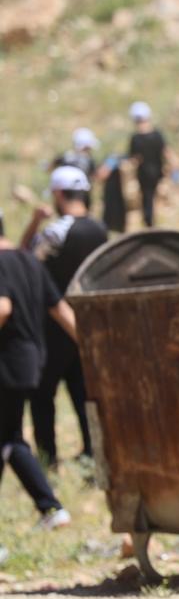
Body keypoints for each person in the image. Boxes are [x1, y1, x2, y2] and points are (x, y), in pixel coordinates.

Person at [19, 167, 108, 466]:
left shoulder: (57, 232)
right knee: (84, 392)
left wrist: (33, 223)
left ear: (58, 194)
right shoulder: (99, 229)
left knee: (43, 395)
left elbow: (23, 260)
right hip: (86, 322)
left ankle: (48, 459)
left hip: (53, 325)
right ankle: (92, 454)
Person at [0, 210, 77, 530]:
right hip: (32, 362)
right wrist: (91, 348)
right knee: (8, 438)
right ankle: (49, 507)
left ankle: (51, 506)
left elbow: (2, 308)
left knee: (10, 439)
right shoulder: (29, 261)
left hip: (5, 363)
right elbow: (60, 309)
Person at [126, 100, 171, 227]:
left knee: (147, 198)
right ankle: (153, 222)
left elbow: (134, 159)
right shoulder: (157, 135)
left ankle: (149, 223)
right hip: (157, 172)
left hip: (144, 174)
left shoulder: (136, 138)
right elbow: (166, 152)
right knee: (154, 198)